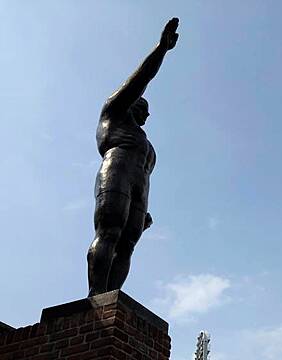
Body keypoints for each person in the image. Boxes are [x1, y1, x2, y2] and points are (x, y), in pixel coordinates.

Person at [87, 18, 179, 296]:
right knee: (110, 232)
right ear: (131, 102)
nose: (147, 114)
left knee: (128, 243)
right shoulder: (113, 113)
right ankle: (96, 295)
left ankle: (111, 297)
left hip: (139, 188)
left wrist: (143, 208)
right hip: (116, 173)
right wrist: (161, 49)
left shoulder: (144, 141)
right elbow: (141, 80)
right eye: (143, 106)